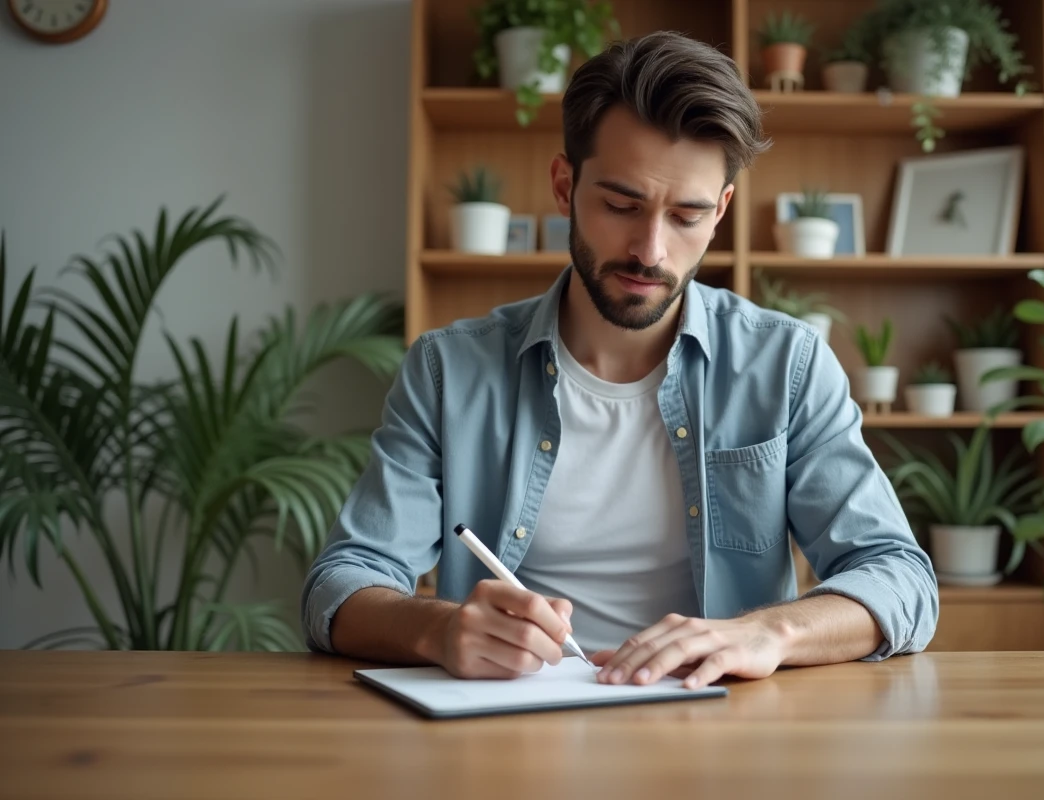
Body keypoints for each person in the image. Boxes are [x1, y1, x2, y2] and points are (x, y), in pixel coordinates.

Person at [301, 31, 938, 690]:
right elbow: (340, 586)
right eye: (621, 205)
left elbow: (901, 577)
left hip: (722, 736)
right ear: (564, 185)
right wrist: (436, 630)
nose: (651, 250)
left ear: (720, 212)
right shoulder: (448, 373)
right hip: (505, 744)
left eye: (687, 215)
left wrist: (768, 632)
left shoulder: (787, 366)